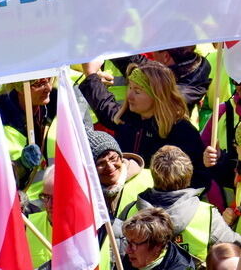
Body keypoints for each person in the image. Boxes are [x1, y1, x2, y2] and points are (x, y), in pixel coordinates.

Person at [80, 61, 208, 188]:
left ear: (157, 96)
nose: (129, 96)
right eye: (130, 87)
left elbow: (199, 178)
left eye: (137, 91)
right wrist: (91, 76)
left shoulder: (182, 132)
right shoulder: (127, 120)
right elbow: (104, 105)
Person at [120, 146, 241, 264]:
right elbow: (237, 252)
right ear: (189, 175)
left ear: (153, 175)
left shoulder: (131, 211)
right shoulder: (206, 214)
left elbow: (115, 255)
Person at [121, 209, 195, 270]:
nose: (127, 251)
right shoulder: (131, 259)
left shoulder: (181, 267)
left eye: (134, 244)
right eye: (128, 242)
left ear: (157, 245)